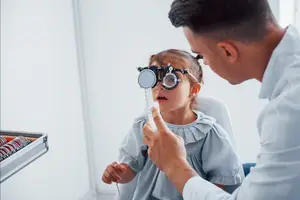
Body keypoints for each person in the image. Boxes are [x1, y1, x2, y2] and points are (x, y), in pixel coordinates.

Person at [142, 0, 300, 200]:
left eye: (200, 56)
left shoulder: (288, 112)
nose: (205, 63)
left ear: (227, 51)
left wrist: (175, 166)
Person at [101, 49, 245, 200]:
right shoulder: (144, 126)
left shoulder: (209, 132)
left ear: (193, 90)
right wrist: (118, 172)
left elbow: (221, 180)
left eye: (170, 79)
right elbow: (131, 169)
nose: (159, 87)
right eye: (154, 79)